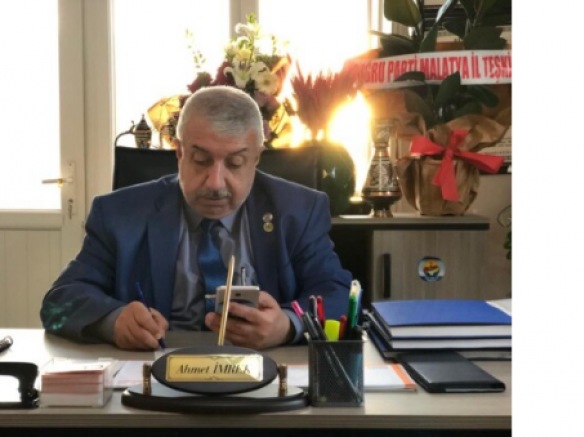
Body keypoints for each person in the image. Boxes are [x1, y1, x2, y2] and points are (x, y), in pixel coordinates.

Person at [41, 86, 352, 350]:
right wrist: (113, 321)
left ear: (257, 158)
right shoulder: (119, 215)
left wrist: (289, 324)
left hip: (263, 375)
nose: (215, 183)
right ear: (179, 153)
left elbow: (338, 293)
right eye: (201, 160)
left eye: (235, 163)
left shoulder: (298, 210)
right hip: (155, 376)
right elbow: (58, 303)